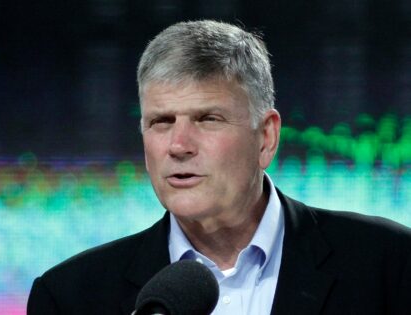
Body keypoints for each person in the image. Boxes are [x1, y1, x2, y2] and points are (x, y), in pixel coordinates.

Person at [27, 20, 411, 315]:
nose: (178, 146)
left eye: (208, 118)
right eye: (161, 121)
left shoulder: (389, 266)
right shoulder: (71, 297)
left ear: (266, 137)